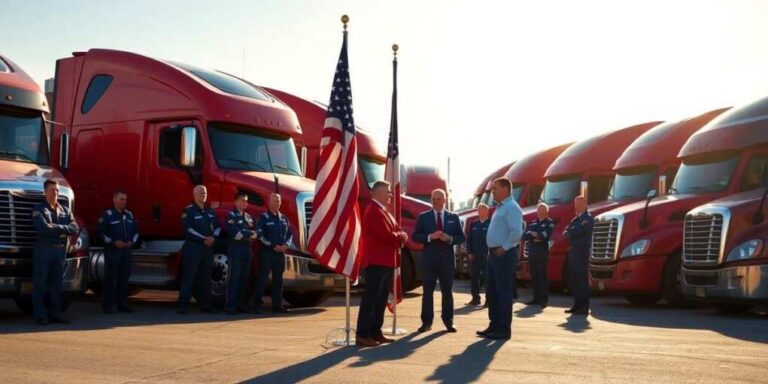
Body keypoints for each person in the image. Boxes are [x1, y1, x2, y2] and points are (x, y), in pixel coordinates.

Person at [356, 181, 408, 347]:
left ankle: (375, 331)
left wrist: (399, 235)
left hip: (386, 261)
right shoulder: (373, 211)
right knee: (371, 299)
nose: (390, 195)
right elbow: (387, 235)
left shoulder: (383, 211)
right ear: (377, 192)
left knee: (380, 300)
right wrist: (401, 236)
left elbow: (396, 230)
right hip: (376, 261)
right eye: (388, 192)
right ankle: (363, 334)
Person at [413, 189, 465, 333]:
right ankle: (426, 322)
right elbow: (416, 236)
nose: (435, 201)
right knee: (427, 292)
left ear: (444, 200)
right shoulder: (423, 217)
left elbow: (461, 237)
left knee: (447, 292)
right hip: (429, 261)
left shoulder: (453, 217)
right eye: (433, 199)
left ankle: (449, 321)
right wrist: (430, 237)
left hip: (446, 261)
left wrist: (449, 239)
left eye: (438, 199)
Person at [477, 178, 523, 340]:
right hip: (494, 254)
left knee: (503, 291)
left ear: (505, 188)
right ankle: (494, 325)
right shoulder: (500, 207)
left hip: (503, 254)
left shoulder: (512, 208)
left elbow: (516, 232)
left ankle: (503, 329)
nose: (493, 191)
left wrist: (504, 247)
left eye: (495, 188)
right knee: (492, 291)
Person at [31, 179, 79, 325]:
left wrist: (56, 227)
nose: (55, 193)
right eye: (52, 190)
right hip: (44, 251)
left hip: (59, 252)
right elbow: (43, 228)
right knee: (40, 283)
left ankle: (55, 314)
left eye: (57, 190)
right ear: (45, 192)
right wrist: (63, 229)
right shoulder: (39, 209)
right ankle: (41, 316)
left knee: (56, 284)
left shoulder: (65, 210)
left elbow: (75, 228)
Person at [178, 185, 221, 314]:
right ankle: (183, 305)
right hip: (193, 248)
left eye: (205, 193)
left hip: (207, 249)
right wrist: (204, 239)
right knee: (189, 276)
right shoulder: (188, 211)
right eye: (201, 193)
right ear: (194, 194)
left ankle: (205, 305)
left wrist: (213, 237)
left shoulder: (210, 212)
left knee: (206, 277)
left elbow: (218, 227)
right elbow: (188, 230)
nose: (204, 195)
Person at [98, 190, 139, 314]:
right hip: (113, 251)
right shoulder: (108, 215)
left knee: (124, 278)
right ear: (115, 200)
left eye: (125, 199)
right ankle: (108, 305)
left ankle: (121, 304)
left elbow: (136, 232)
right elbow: (101, 233)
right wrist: (113, 242)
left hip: (126, 251)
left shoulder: (129, 215)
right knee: (110, 278)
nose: (124, 202)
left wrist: (132, 242)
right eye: (121, 199)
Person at [253, 193, 293, 314]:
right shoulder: (263, 217)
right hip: (267, 253)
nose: (277, 203)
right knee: (262, 279)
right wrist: (272, 246)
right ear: (269, 202)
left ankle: (277, 305)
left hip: (280, 254)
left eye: (278, 201)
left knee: (278, 280)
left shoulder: (284, 218)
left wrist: (286, 245)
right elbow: (259, 234)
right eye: (274, 201)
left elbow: (290, 234)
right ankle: (257, 305)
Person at [224, 192, 258, 315]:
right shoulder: (231, 216)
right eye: (243, 200)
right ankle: (230, 306)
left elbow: (256, 232)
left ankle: (240, 304)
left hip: (247, 251)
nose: (245, 203)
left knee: (244, 278)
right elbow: (235, 234)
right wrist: (248, 234)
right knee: (234, 278)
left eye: (246, 201)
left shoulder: (249, 217)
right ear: (236, 202)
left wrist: (246, 233)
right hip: (236, 251)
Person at [563, 196, 594, 316]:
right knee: (574, 280)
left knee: (581, 280)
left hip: (581, 252)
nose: (577, 206)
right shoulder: (574, 220)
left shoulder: (588, 218)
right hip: (573, 251)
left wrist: (571, 232)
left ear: (585, 204)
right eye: (576, 204)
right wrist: (571, 232)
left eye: (579, 204)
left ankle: (584, 307)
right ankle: (576, 305)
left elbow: (577, 231)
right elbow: (567, 231)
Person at [523, 203, 554, 308]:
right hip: (532, 252)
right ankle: (536, 298)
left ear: (546, 212)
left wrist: (536, 235)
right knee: (534, 275)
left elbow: (545, 236)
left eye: (542, 210)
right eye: (538, 210)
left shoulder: (549, 223)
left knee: (542, 276)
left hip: (542, 253)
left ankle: (544, 299)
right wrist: (535, 236)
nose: (540, 212)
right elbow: (525, 235)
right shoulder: (533, 223)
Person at [466, 203, 491, 306]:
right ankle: (475, 298)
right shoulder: (474, 224)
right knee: (474, 278)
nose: (480, 212)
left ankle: (489, 300)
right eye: (479, 210)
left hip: (487, 255)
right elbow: (469, 240)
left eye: (482, 210)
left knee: (487, 278)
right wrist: (470, 252)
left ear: (487, 211)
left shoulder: (491, 223)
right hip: (475, 256)